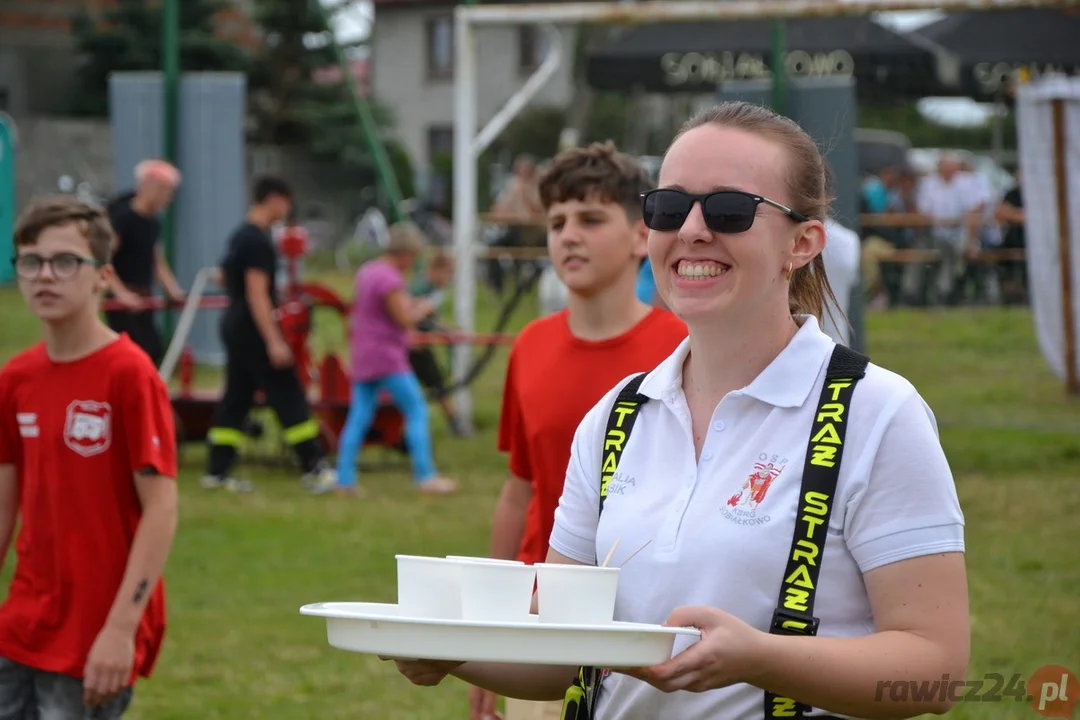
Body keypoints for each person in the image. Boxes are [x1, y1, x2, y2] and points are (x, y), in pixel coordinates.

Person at [394, 102, 968, 720]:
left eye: (728, 209)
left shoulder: (877, 413)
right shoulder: (617, 415)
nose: (691, 230)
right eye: (669, 207)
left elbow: (934, 671)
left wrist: (762, 658)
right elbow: (562, 651)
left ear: (802, 243)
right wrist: (447, 649)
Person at [469, 141, 688, 720]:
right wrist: (485, 631)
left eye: (591, 219)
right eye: (557, 221)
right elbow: (520, 489)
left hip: (647, 629)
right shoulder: (530, 345)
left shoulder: (683, 350)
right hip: (541, 626)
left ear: (642, 236)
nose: (569, 235)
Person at [0, 196, 179, 719]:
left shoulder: (129, 374)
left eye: (64, 262)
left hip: (94, 633)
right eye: (30, 261)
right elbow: (6, 501)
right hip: (23, 623)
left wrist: (121, 629)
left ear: (102, 276)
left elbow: (161, 509)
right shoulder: (15, 378)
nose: (44, 276)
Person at [201, 176, 337, 494]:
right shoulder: (258, 240)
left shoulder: (240, 235)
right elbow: (257, 293)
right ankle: (314, 466)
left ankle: (217, 471)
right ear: (274, 199)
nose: (287, 210)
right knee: (287, 392)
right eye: (286, 203)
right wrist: (274, 340)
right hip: (254, 328)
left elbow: (223, 276)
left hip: (233, 323)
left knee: (236, 398)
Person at [334, 222, 458, 497]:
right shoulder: (389, 278)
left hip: (363, 354)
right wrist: (425, 307)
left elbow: (371, 312)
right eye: (413, 256)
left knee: (359, 415)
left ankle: (344, 479)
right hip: (386, 357)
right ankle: (425, 476)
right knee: (416, 409)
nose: (413, 263)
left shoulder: (367, 271)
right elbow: (403, 319)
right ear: (405, 253)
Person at [104, 159, 186, 367]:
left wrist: (173, 290)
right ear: (149, 188)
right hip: (123, 299)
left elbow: (156, 260)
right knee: (132, 352)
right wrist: (120, 293)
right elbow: (104, 258)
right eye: (166, 190)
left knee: (154, 349)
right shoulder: (123, 219)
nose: (169, 197)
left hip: (142, 297)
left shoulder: (152, 222)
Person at [407, 251, 465, 435]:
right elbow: (411, 315)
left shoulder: (432, 289)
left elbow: (430, 320)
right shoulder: (421, 287)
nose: (450, 278)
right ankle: (455, 424)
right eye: (449, 273)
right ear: (437, 270)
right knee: (437, 385)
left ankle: (454, 423)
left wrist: (447, 331)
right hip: (413, 347)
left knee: (434, 385)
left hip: (420, 345)